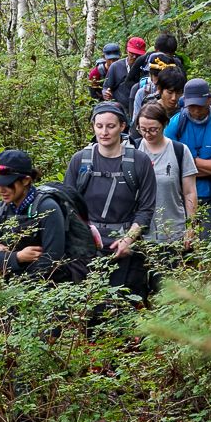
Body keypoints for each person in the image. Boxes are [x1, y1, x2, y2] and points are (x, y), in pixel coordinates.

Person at [64, 102, 156, 303]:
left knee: (127, 306)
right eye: (99, 126)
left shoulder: (139, 162)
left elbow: (146, 208)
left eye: (110, 126)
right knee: (89, 309)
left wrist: (128, 240)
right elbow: (68, 205)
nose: (104, 132)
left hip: (125, 244)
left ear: (122, 126)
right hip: (86, 246)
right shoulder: (79, 161)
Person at [135, 103, 197, 296]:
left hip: (172, 234)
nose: (148, 134)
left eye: (153, 129)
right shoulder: (132, 150)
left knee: (169, 292)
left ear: (165, 125)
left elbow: (189, 192)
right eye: (143, 129)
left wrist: (191, 227)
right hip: (139, 236)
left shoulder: (179, 151)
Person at [0, 150, 73, 283]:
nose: (1, 190)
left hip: (50, 287)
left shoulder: (48, 208)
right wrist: (18, 257)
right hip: (10, 288)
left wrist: (5, 257)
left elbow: (52, 259)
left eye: (7, 184)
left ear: (26, 180)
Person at [164, 78, 211, 237]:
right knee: (183, 248)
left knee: (208, 246)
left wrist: (187, 165)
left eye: (200, 105)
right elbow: (168, 165)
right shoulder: (175, 124)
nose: (196, 111)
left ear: (209, 100)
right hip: (180, 197)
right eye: (191, 106)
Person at [103, 37, 146, 115]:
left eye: (138, 55)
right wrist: (106, 93)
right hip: (120, 111)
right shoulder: (115, 66)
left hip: (141, 110)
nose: (134, 57)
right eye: (132, 53)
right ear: (127, 51)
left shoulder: (146, 68)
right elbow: (106, 87)